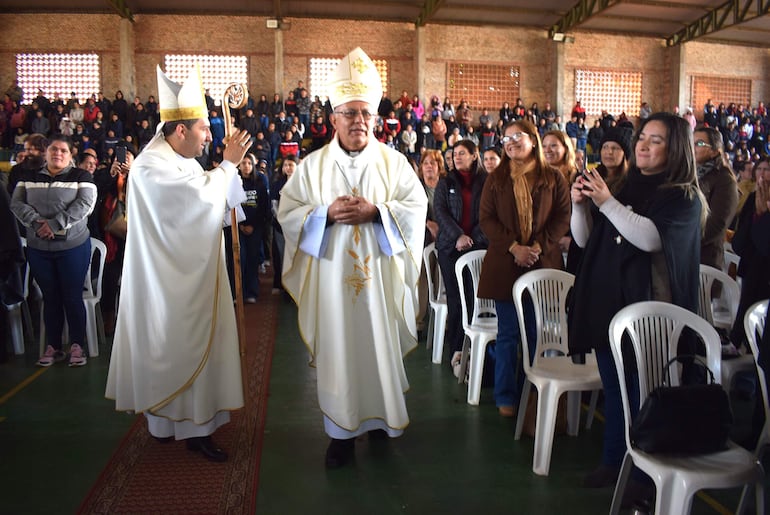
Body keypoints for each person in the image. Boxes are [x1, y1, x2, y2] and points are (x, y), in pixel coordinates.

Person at [277, 48, 427, 468]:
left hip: (378, 279)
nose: (359, 120)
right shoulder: (311, 166)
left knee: (377, 344)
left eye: (366, 113)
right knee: (340, 349)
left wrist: (377, 212)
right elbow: (287, 213)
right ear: (334, 118)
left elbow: (415, 207)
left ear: (375, 119)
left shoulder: (394, 163)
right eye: (350, 113)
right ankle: (341, 434)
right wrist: (324, 214)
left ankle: (380, 423)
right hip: (332, 280)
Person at [105, 65, 251, 462]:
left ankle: (169, 423)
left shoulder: (177, 159)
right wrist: (229, 165)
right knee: (179, 346)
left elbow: (202, 197)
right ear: (181, 130)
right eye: (204, 129)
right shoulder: (153, 167)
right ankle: (194, 430)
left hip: (185, 274)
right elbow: (194, 201)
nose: (209, 136)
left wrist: (228, 192)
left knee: (175, 348)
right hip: (169, 285)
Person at [568, 113, 704, 499]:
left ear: (675, 148)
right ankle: (615, 461)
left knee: (645, 392)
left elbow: (650, 239)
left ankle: (646, 478)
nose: (642, 145)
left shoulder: (683, 196)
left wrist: (607, 201)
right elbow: (584, 242)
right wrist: (580, 207)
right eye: (642, 137)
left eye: (655, 140)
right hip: (611, 307)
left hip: (651, 315)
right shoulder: (624, 187)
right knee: (616, 389)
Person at [477, 120, 571, 416]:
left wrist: (538, 247)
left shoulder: (553, 177)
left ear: (533, 140)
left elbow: (562, 217)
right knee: (508, 333)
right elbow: (487, 219)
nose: (511, 142)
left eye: (517, 136)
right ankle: (505, 395)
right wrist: (515, 247)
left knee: (534, 333)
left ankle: (531, 393)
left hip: (541, 264)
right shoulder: (497, 177)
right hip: (506, 263)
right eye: (506, 138)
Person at [10, 134, 97, 367]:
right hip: (40, 248)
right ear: (46, 152)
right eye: (53, 150)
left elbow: (85, 204)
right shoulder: (27, 176)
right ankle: (54, 346)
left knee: (71, 295)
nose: (57, 153)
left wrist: (55, 224)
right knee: (50, 297)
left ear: (71, 156)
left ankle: (78, 345)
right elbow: (17, 203)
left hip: (72, 247)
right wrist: (40, 224)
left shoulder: (81, 176)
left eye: (63, 151)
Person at [433, 138, 488, 375]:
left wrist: (471, 238)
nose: (457, 156)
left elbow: (487, 213)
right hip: (449, 248)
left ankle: (474, 352)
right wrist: (458, 236)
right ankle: (456, 351)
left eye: (462, 153)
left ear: (475, 156)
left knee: (472, 298)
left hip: (476, 246)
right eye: (454, 153)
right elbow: (440, 212)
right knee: (456, 300)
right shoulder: (446, 182)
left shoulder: (485, 182)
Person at [693, 126, 738, 271]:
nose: (692, 147)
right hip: (683, 253)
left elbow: (717, 225)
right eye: (691, 142)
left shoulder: (725, 180)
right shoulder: (690, 174)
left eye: (699, 144)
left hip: (705, 258)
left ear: (714, 151)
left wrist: (682, 238)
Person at [236, 153, 270, 303]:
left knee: (252, 258)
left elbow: (264, 206)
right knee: (240, 259)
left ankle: (251, 292)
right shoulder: (235, 181)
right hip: (238, 227)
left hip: (255, 227)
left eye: (249, 163)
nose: (246, 166)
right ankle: (238, 292)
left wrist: (253, 225)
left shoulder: (260, 181)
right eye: (243, 163)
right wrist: (241, 225)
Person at [270, 154, 297, 295]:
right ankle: (280, 284)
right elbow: (274, 204)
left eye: (291, 165)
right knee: (280, 255)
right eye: (286, 165)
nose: (288, 168)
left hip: (298, 227)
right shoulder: (277, 184)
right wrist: (282, 219)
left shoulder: (302, 184)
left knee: (296, 256)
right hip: (280, 226)